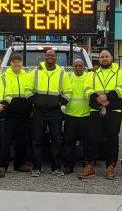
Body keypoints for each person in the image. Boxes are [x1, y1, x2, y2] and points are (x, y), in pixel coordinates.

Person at [80, 50, 122, 180]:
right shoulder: (92, 73)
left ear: (112, 58)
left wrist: (107, 97)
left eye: (107, 56)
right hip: (96, 109)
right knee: (92, 138)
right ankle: (90, 165)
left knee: (112, 139)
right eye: (102, 57)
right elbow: (87, 88)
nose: (104, 59)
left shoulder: (120, 72)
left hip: (113, 110)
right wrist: (96, 97)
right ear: (98, 59)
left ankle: (110, 167)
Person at [28, 49, 71, 177]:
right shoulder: (35, 72)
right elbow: (27, 90)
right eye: (48, 55)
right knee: (36, 140)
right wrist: (34, 102)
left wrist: (59, 103)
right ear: (44, 57)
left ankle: (56, 167)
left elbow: (68, 92)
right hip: (38, 111)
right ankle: (36, 167)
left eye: (53, 55)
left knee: (56, 140)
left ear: (56, 57)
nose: (50, 57)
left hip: (55, 112)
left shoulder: (62, 73)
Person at [3, 53, 34, 173]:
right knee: (6, 141)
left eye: (19, 61)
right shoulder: (4, 76)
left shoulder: (28, 76)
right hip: (9, 114)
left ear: (22, 63)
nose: (16, 64)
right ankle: (3, 165)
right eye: (14, 61)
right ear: (10, 63)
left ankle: (19, 164)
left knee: (22, 141)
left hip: (24, 114)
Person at [62, 58, 89, 174]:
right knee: (68, 142)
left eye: (80, 66)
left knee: (88, 143)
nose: (78, 68)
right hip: (70, 115)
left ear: (84, 67)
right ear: (72, 67)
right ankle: (68, 165)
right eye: (76, 66)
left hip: (85, 116)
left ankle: (87, 165)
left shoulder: (89, 77)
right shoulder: (67, 77)